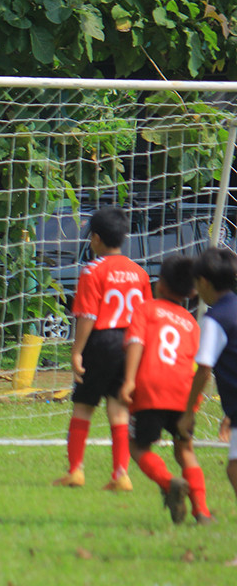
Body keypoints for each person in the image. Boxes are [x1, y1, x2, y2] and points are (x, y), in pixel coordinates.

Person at [54, 207, 151, 490]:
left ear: (95, 238)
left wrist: (76, 352)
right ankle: (121, 474)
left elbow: (88, 316)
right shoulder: (139, 272)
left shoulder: (92, 270)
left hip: (102, 342)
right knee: (119, 410)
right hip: (130, 343)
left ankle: (75, 471)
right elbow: (145, 316)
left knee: (83, 407)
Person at [118, 255, 213, 524]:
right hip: (183, 392)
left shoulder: (146, 309)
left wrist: (128, 381)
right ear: (192, 292)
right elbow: (198, 364)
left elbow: (136, 342)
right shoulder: (192, 324)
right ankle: (202, 511)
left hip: (150, 387)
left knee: (137, 445)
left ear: (159, 283)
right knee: (185, 450)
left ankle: (168, 481)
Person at [178, 248, 237, 508]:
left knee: (233, 469)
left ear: (202, 282)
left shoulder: (215, 320)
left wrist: (189, 410)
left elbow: (203, 369)